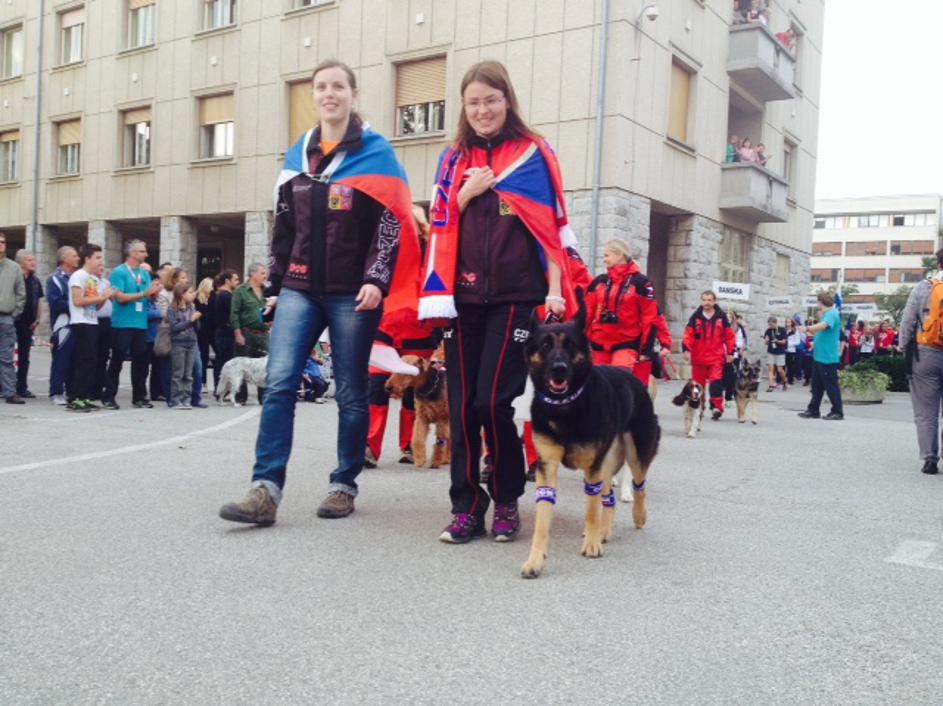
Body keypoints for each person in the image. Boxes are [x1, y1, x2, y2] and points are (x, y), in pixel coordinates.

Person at [219, 59, 420, 525]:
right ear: (314, 96)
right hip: (300, 287)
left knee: (350, 391)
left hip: (353, 293)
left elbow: (390, 222)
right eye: (321, 87)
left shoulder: (377, 153)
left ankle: (343, 484)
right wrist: (274, 286)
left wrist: (376, 278)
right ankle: (265, 490)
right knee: (279, 382)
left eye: (338, 87)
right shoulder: (298, 156)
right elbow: (283, 228)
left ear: (353, 94)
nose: (329, 94)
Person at [416, 60, 589, 543]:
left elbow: (551, 227)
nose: (482, 110)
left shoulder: (533, 153)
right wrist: (467, 194)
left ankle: (507, 497)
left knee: (493, 402)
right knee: (462, 408)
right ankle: (467, 506)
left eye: (491, 100)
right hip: (461, 298)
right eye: (473, 102)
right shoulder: (453, 158)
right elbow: (440, 223)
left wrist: (554, 290)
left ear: (507, 100)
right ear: (463, 107)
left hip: (517, 298)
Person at [366, 204, 440, 467]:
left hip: (419, 329)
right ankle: (370, 447)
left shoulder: (431, 254)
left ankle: (408, 445)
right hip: (385, 327)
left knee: (411, 390)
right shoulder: (383, 250)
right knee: (376, 387)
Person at [584, 239, 659, 377]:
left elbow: (650, 318)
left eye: (607, 255)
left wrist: (646, 350)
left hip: (626, 343)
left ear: (619, 255)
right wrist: (578, 339)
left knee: (620, 380)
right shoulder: (599, 282)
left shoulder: (641, 283)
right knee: (597, 383)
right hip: (598, 343)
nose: (604, 260)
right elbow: (586, 314)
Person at [105, 240, 162, 409]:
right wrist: (145, 293)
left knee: (141, 362)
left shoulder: (144, 274)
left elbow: (149, 297)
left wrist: (154, 293)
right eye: (143, 251)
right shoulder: (119, 272)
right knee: (117, 360)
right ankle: (109, 396)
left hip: (140, 323)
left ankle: (139, 396)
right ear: (133, 253)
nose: (146, 254)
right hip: (122, 323)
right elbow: (120, 298)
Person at [900, 248, 943, 474]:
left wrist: (902, 348)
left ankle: (930, 458)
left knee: (926, 410)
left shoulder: (924, 287)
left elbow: (907, 321)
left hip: (925, 353)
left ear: (938, 264)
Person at [67, 244, 115, 412]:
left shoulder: (93, 279)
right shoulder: (78, 276)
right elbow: (77, 301)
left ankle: (83, 396)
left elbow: (96, 307)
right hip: (81, 322)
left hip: (92, 321)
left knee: (92, 361)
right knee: (84, 360)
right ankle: (75, 398)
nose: (100, 261)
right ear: (87, 259)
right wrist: (101, 297)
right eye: (97, 258)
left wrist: (105, 298)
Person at [683, 290, 736, 420]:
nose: (706, 302)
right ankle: (699, 407)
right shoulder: (695, 317)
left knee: (716, 382)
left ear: (714, 301)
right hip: (698, 357)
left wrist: (730, 352)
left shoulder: (721, 317)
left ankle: (716, 407)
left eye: (709, 300)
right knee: (697, 385)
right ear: (701, 301)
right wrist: (686, 350)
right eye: (704, 300)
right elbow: (688, 335)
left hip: (716, 357)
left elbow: (729, 336)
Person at [798, 292, 844, 421]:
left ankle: (837, 411)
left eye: (817, 301)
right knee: (816, 386)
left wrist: (807, 328)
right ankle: (813, 410)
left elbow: (823, 326)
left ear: (820, 302)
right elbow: (822, 331)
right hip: (820, 356)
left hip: (827, 357)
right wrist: (815, 341)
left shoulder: (832, 313)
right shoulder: (827, 314)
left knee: (831, 386)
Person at [230, 263, 270, 404]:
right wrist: (238, 333)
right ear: (253, 274)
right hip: (247, 332)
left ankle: (264, 397)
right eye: (262, 273)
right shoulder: (241, 291)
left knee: (264, 366)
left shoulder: (266, 291)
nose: (265, 276)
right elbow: (234, 313)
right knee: (242, 365)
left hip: (264, 333)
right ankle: (241, 397)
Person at [46, 246, 80, 405]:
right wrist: (78, 304)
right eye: (74, 256)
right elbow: (56, 303)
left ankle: (72, 392)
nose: (78, 258)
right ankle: (56, 392)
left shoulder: (78, 277)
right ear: (64, 259)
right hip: (64, 325)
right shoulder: (55, 279)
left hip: (78, 323)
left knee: (75, 360)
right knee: (61, 360)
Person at [0, 232, 26, 404]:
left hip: (6, 318)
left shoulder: (14, 267)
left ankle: (9, 392)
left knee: (6, 358)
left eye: (3, 241)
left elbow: (21, 293)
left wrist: (14, 314)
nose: (1, 244)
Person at [13, 250, 43, 399]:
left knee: (24, 357)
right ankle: (6, 386)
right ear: (21, 262)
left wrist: (37, 319)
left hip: (28, 324)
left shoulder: (35, 281)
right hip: (13, 321)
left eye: (33, 260)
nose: (33, 262)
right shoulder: (14, 278)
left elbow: (38, 300)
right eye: (29, 260)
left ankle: (21, 387)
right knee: (7, 356)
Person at [167, 282, 201, 410]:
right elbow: (175, 328)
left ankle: (186, 399)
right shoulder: (172, 309)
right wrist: (190, 320)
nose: (193, 295)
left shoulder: (192, 307)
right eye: (190, 292)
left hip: (191, 342)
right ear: (182, 294)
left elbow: (197, 329)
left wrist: (196, 321)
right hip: (179, 343)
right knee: (178, 373)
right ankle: (176, 400)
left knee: (188, 374)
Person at [212, 269, 239, 394]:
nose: (238, 282)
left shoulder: (223, 295)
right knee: (224, 363)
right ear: (227, 281)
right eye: (236, 280)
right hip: (225, 334)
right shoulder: (225, 296)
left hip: (223, 333)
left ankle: (222, 390)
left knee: (223, 362)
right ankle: (221, 391)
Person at [196, 277, 216, 396]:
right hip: (206, 331)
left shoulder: (202, 299)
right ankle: (205, 383)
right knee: (205, 357)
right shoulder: (201, 299)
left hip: (206, 331)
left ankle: (204, 383)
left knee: (205, 357)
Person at [724, 311, 748, 403]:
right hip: (726, 353)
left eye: (729, 316)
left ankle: (731, 395)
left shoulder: (739, 327)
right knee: (727, 376)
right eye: (726, 316)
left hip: (736, 353)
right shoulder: (724, 327)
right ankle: (729, 395)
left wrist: (742, 349)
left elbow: (743, 340)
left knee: (733, 375)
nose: (728, 318)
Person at [763, 316, 788, 391]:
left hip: (780, 352)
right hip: (771, 351)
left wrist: (776, 341)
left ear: (775, 323)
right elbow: (766, 342)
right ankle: (771, 385)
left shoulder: (782, 330)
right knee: (770, 369)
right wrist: (766, 341)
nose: (770, 326)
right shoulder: (768, 330)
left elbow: (784, 342)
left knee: (780, 369)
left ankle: (785, 381)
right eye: (769, 324)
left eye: (771, 324)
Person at [785, 318, 802, 384]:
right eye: (786, 322)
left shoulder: (795, 331)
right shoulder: (784, 330)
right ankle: (782, 379)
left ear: (792, 323)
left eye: (789, 322)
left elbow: (798, 342)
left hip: (791, 350)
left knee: (790, 366)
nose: (787, 323)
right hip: (784, 350)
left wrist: (788, 344)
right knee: (783, 365)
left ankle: (790, 380)